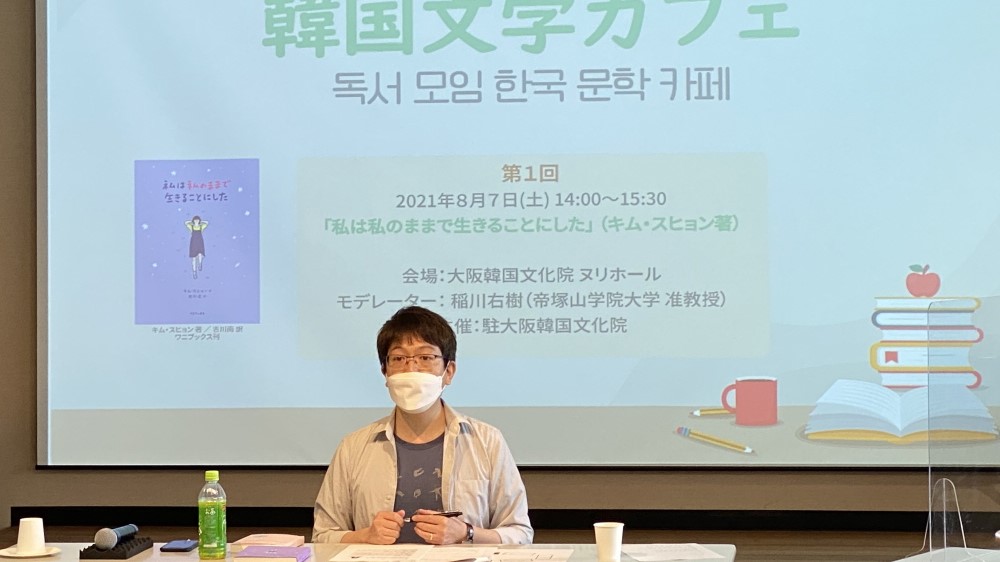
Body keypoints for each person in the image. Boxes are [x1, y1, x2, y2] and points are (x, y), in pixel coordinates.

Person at [313, 306, 533, 545]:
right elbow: (323, 536)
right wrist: (365, 536)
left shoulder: (487, 441)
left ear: (449, 371)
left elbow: (520, 533)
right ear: (385, 372)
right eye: (399, 358)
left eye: (426, 357)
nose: (411, 368)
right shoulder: (354, 447)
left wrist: (466, 533)